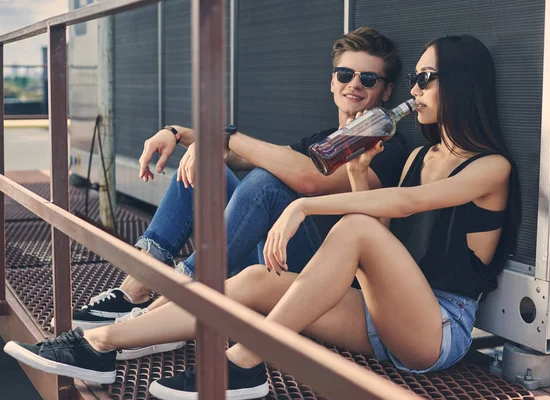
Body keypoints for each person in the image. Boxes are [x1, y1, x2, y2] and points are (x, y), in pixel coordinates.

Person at [5, 34, 521, 400]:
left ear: (461, 84)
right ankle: (101, 343)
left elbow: (400, 208)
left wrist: (304, 205)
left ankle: (243, 364)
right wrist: (360, 172)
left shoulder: (490, 167)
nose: (415, 90)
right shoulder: (415, 158)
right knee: (252, 280)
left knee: (350, 225)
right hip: (381, 316)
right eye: (416, 78)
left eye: (426, 79)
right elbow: (386, 240)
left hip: (436, 328)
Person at [52, 26, 410, 357]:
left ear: (386, 91)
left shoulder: (387, 149)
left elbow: (310, 180)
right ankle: (138, 288)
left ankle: (172, 302)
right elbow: (241, 156)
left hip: (317, 284)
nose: (354, 84)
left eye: (368, 78)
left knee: (265, 185)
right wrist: (179, 134)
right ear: (333, 82)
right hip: (268, 260)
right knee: (209, 166)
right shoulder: (320, 140)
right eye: (346, 74)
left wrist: (221, 137)